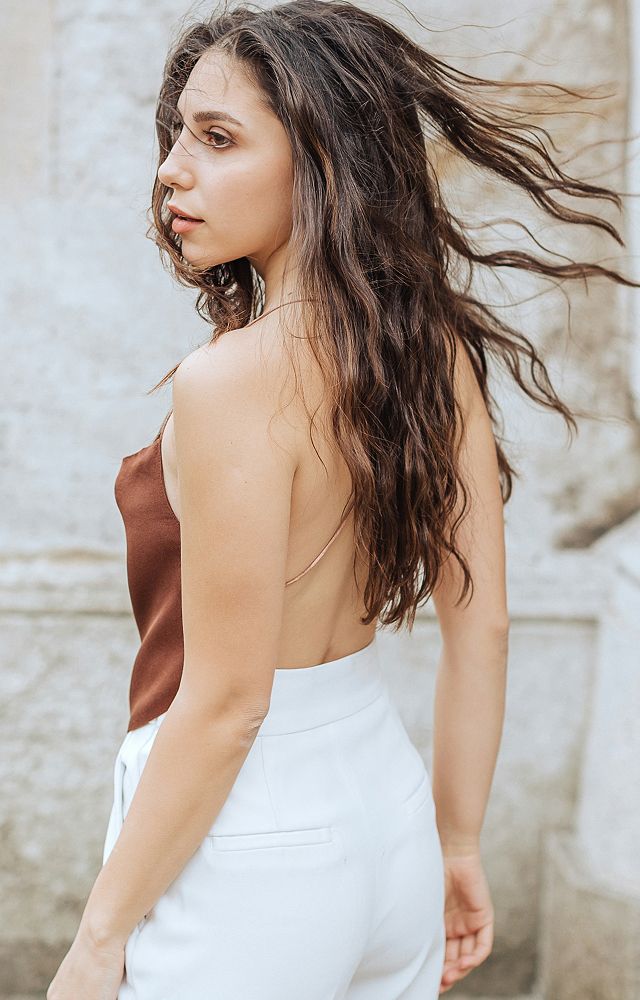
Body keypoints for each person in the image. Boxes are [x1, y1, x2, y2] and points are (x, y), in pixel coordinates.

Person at [46, 1, 637, 998]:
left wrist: (99, 937)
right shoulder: (434, 350)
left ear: (321, 160)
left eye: (218, 138)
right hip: (389, 819)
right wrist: (456, 843)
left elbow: (229, 705)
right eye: (178, 134)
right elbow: (483, 625)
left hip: (242, 851)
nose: (172, 169)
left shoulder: (228, 382)